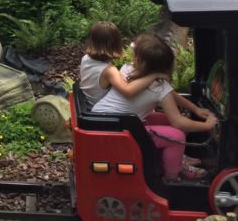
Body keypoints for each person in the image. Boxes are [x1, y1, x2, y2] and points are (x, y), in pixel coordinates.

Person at [92, 34, 218, 181]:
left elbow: (170, 94)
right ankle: (172, 178)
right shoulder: (159, 86)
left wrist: (195, 109)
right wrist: (207, 125)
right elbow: (178, 122)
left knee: (167, 121)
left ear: (139, 60)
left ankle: (174, 159)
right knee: (177, 135)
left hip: (102, 119)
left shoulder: (129, 69)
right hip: (116, 130)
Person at [79, 21, 167, 110]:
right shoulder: (109, 71)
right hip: (102, 111)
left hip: (88, 104)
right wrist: (154, 75)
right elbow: (128, 91)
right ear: (115, 44)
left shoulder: (86, 58)